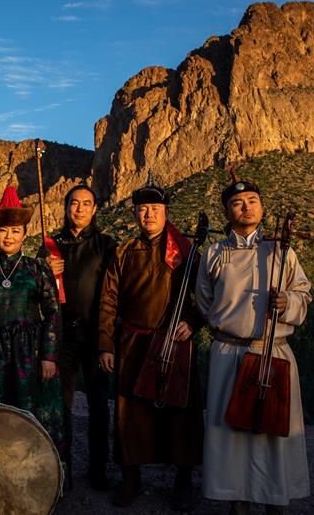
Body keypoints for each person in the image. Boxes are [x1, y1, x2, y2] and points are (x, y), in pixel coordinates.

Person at [196, 177, 312, 514]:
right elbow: (204, 301)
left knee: (271, 431)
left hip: (272, 351)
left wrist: (287, 301)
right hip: (227, 352)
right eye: (237, 202)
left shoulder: (281, 250)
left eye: (252, 200)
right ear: (227, 212)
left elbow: (303, 294)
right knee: (229, 432)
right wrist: (230, 323)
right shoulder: (214, 253)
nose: (246, 206)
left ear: (261, 207)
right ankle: (237, 499)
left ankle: (274, 499)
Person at [97, 181, 204, 509]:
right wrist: (105, 344)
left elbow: (207, 296)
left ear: (165, 212)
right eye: (142, 209)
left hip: (175, 342)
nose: (148, 215)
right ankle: (131, 480)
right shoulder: (125, 251)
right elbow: (108, 300)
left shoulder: (185, 249)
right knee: (130, 415)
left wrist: (195, 322)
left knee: (181, 415)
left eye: (155, 209)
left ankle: (183, 483)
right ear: (134, 214)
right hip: (133, 343)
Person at [0, 184, 64, 453]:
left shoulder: (36, 268)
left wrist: (49, 356)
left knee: (27, 409)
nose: (8, 236)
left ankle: (34, 472)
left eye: (15, 231)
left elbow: (53, 312)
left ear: (24, 234)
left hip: (28, 351)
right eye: (3, 230)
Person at [37, 184, 117, 490]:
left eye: (86, 203)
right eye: (74, 203)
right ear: (66, 206)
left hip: (96, 336)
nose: (80, 209)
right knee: (62, 405)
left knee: (98, 405)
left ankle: (98, 470)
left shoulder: (106, 245)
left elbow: (113, 295)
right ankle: (62, 469)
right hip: (60, 337)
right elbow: (36, 290)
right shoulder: (49, 246)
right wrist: (44, 269)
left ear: (95, 209)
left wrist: (108, 340)